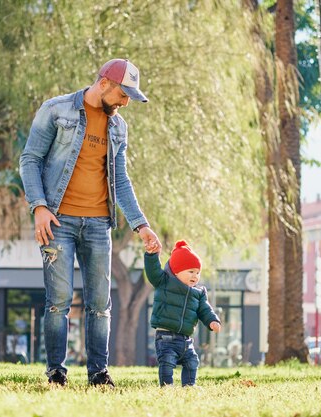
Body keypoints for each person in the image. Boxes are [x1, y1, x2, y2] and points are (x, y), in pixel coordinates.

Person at [19, 58, 162, 387]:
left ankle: (99, 373)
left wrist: (141, 225)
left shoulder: (118, 127)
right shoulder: (56, 111)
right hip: (58, 221)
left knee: (100, 303)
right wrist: (39, 206)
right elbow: (30, 160)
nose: (126, 102)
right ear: (104, 84)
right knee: (59, 301)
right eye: (123, 94)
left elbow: (120, 180)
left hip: (99, 224)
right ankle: (56, 372)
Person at [145, 240, 221, 387]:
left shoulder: (198, 293)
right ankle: (167, 386)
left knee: (192, 361)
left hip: (186, 339)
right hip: (165, 337)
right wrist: (151, 256)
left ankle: (189, 385)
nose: (195, 276)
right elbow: (153, 271)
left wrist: (212, 320)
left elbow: (204, 309)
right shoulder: (164, 282)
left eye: (198, 272)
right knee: (167, 362)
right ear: (176, 271)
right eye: (191, 271)